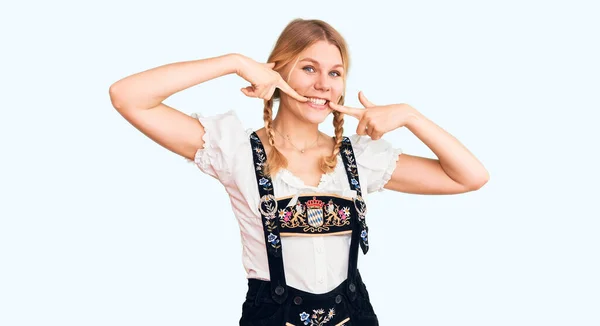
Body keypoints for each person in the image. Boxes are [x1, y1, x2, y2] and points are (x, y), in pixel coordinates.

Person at [109, 18, 488, 326]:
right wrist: (235, 62)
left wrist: (410, 115)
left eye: (335, 73)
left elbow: (469, 176)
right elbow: (128, 97)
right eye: (309, 68)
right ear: (278, 71)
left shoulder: (358, 158)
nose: (323, 84)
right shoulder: (236, 150)